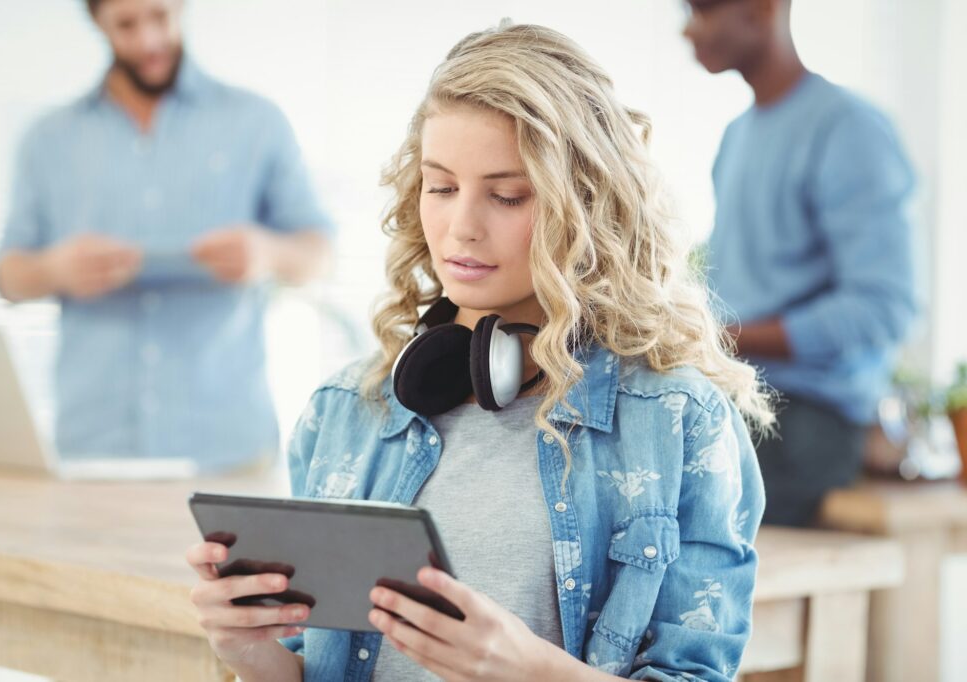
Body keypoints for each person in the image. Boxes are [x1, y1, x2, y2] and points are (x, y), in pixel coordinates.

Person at [187, 22, 771, 681]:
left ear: (583, 206)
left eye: (506, 194)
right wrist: (251, 652)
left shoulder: (675, 420)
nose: (462, 226)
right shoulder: (345, 412)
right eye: (441, 186)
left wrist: (529, 670)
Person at [0, 0, 333, 472]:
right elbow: (8, 277)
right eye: (127, 25)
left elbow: (321, 254)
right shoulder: (48, 139)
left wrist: (267, 252)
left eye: (160, 16)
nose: (149, 40)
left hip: (227, 446)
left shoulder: (257, 121)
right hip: (92, 450)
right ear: (97, 21)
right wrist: (54, 270)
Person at [682, 0, 917, 525]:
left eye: (704, 10)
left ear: (762, 9)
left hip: (808, 420)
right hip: (735, 397)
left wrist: (727, 336)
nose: (688, 29)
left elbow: (884, 307)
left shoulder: (847, 129)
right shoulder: (736, 138)